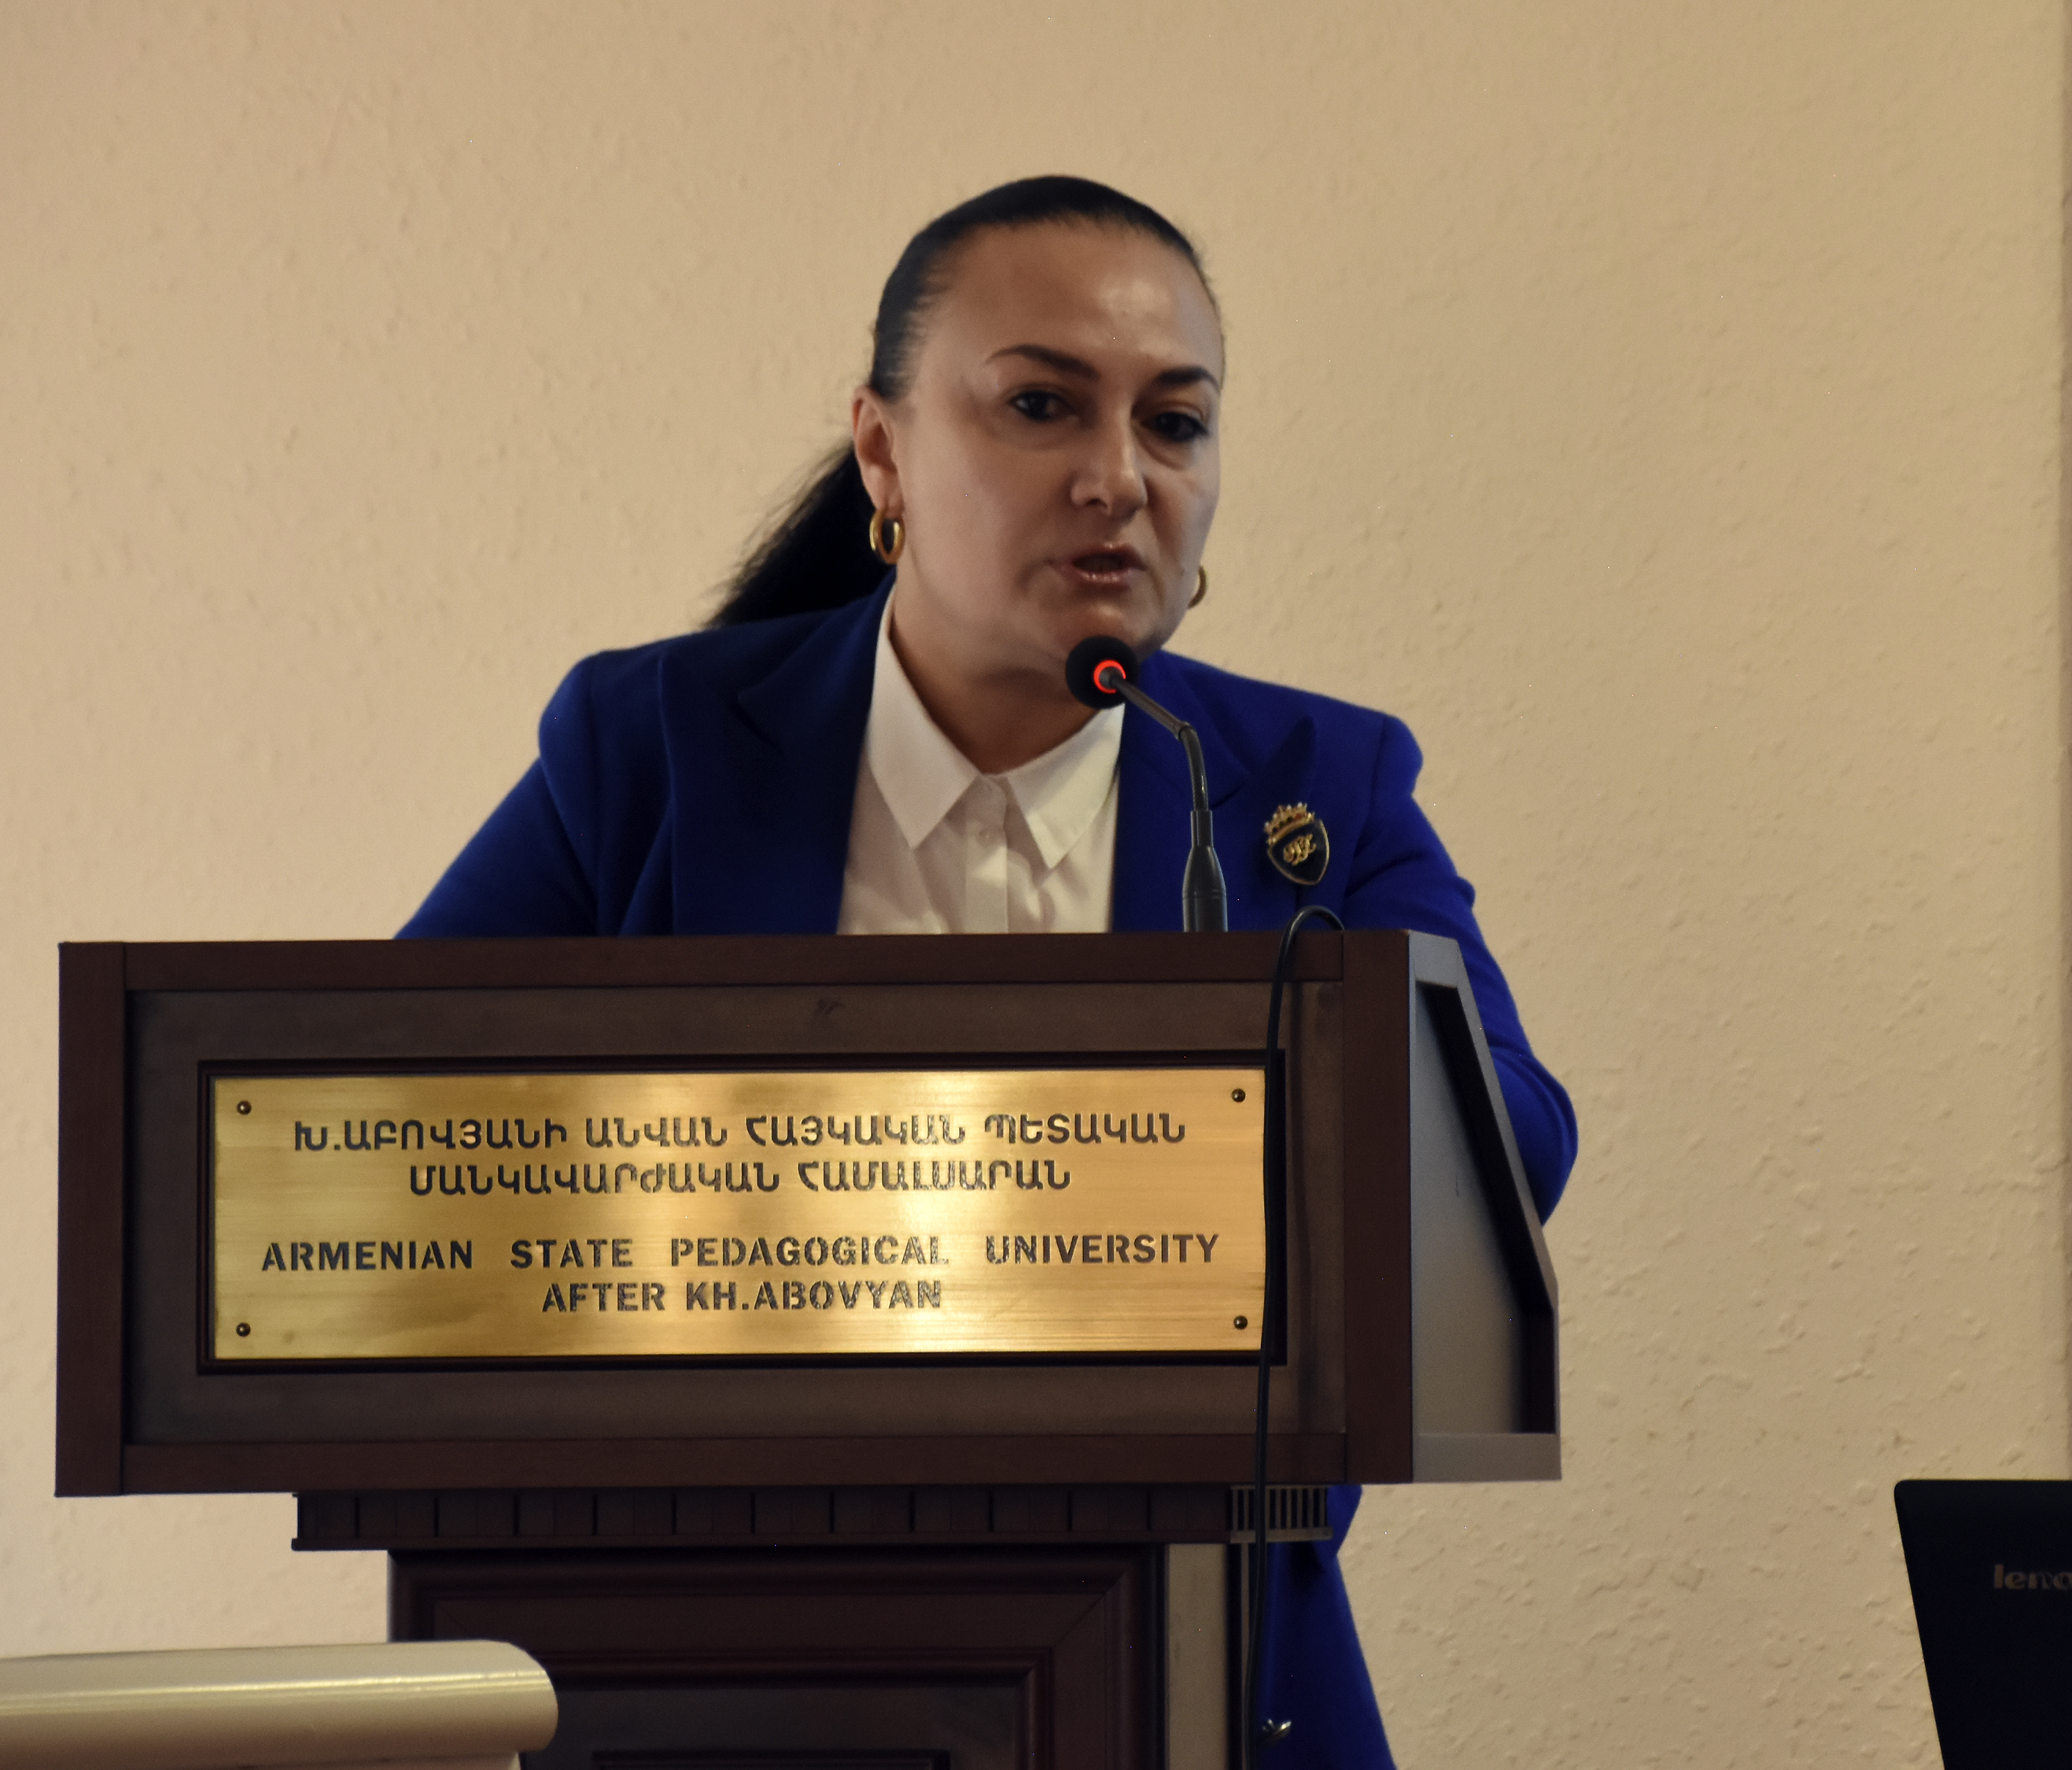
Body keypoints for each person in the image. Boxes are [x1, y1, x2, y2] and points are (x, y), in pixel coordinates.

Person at [403, 174, 1576, 1768]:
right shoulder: (652, 749)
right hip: (706, 1663)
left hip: (1202, 1666)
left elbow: (1510, 1144)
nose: (1119, 477)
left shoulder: (1309, 789)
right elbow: (407, 1130)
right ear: (881, 451)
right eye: (1041, 405)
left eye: (1175, 423)